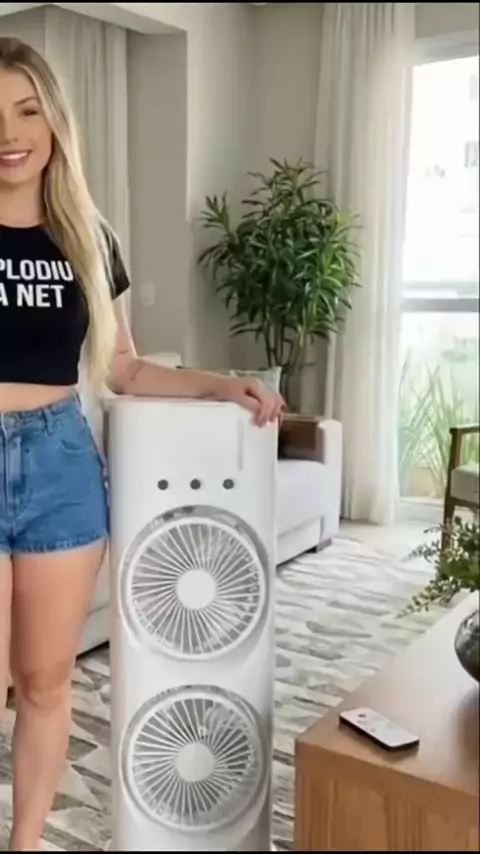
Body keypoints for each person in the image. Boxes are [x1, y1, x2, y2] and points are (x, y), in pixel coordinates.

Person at [0, 37, 284, 851]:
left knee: (46, 682)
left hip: (59, 463)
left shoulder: (88, 235)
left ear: (55, 121)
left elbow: (121, 366)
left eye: (27, 110)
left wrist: (217, 384)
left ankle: (25, 845)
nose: (10, 134)